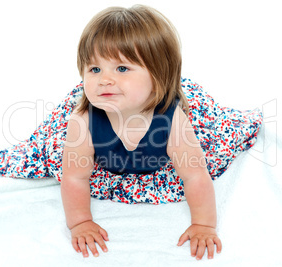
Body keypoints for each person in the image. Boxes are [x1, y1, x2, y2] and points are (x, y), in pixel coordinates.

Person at [61, 4, 223, 261]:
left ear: (158, 76)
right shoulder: (82, 122)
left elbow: (195, 175)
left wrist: (204, 225)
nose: (104, 80)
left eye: (122, 69)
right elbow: (74, 178)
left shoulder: (172, 120)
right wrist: (80, 222)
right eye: (94, 69)